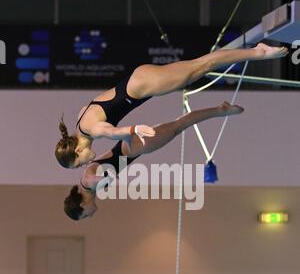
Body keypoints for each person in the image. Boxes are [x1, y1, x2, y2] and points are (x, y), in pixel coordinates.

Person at [55, 43, 288, 168]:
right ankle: (256, 52)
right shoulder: (80, 120)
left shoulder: (92, 130)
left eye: (78, 165)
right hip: (138, 83)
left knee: (202, 66)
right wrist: (128, 137)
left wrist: (132, 131)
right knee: (199, 67)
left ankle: (259, 52)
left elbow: (111, 130)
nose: (84, 166)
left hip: (143, 87)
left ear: (77, 152)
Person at [63, 101, 244, 220]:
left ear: (82, 205)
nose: (89, 216)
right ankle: (219, 110)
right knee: (178, 125)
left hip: (134, 147)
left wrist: (105, 180)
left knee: (179, 125)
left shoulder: (88, 183)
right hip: (130, 147)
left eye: (85, 215)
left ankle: (220, 110)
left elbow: (99, 178)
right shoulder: (84, 183)